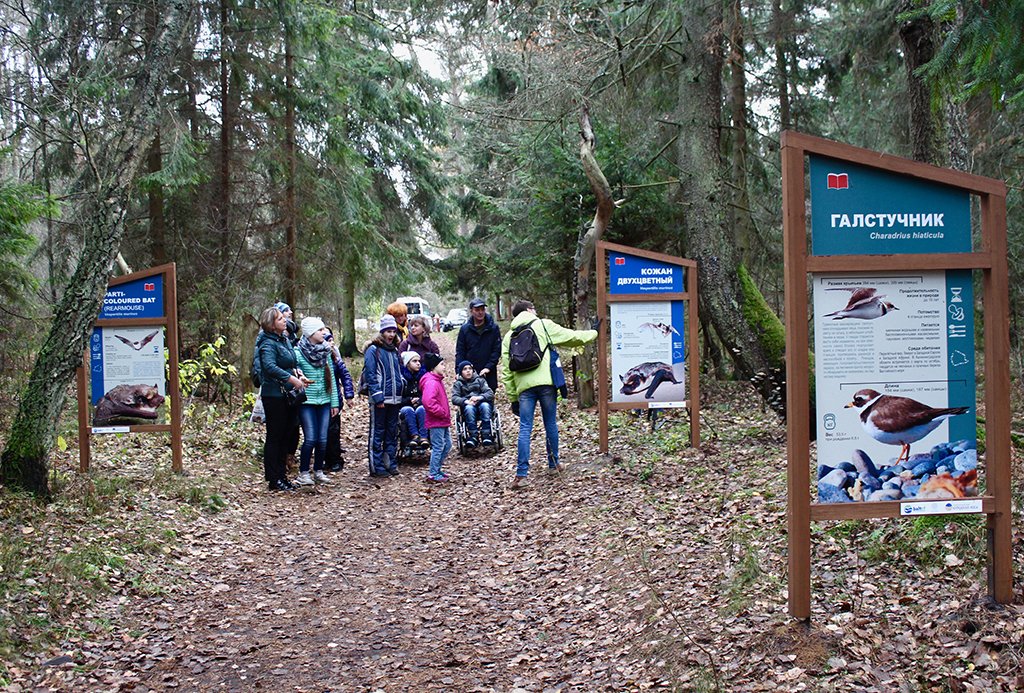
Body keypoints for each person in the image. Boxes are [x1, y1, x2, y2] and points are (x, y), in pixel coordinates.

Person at [501, 299, 597, 488]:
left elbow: (507, 371)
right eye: (534, 308)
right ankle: (553, 464)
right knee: (550, 423)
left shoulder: (509, 336)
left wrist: (513, 398)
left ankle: (521, 475)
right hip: (546, 383)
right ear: (529, 310)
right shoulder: (543, 325)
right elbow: (571, 337)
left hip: (524, 387)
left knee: (525, 428)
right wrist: (594, 332)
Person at [257, 306, 312, 492]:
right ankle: (274, 478)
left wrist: (299, 375)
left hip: (288, 395)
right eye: (280, 318)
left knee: (287, 436)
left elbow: (291, 363)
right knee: (275, 436)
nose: (284, 320)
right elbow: (269, 367)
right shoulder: (266, 343)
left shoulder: (284, 339)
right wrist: (291, 379)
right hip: (274, 396)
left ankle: (283, 476)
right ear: (272, 324)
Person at [292, 317, 340, 487]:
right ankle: (304, 473)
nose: (324, 333)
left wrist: (334, 402)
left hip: (325, 401)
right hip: (307, 402)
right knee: (310, 438)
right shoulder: (298, 353)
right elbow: (294, 372)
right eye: (320, 330)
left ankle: (318, 471)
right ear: (311, 332)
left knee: (323, 439)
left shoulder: (325, 351)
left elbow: (331, 378)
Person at [364, 315, 404, 477]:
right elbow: (371, 375)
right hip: (380, 399)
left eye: (393, 331)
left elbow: (398, 372)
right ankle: (377, 466)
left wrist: (402, 385)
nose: (391, 334)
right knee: (378, 431)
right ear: (382, 332)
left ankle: (390, 463)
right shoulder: (373, 350)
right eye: (388, 331)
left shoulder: (395, 350)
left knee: (391, 431)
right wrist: (377, 395)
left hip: (395, 398)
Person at [456, 297, 502, 393]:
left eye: (482, 309)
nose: (480, 312)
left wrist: (488, 367)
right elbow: (460, 351)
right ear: (471, 311)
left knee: (488, 405)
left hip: (488, 374)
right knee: (469, 405)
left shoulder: (493, 328)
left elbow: (496, 350)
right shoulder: (465, 329)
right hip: (469, 374)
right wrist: (458, 370)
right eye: (477, 310)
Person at [324, 329, 355, 473]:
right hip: (320, 400)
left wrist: (349, 395)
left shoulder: (336, 359)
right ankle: (325, 459)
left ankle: (336, 460)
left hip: (335, 400)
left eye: (331, 340)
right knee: (322, 432)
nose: (331, 343)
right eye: (327, 340)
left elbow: (346, 377)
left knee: (333, 431)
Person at [419, 352, 452, 482]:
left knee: (447, 445)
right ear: (434, 367)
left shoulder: (437, 380)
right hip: (436, 420)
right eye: (442, 364)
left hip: (442, 420)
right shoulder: (431, 382)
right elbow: (428, 401)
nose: (444, 367)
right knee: (439, 446)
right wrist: (441, 412)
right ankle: (433, 473)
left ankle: (437, 469)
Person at [451, 360, 494, 447]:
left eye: (470, 368)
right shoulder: (458, 384)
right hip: (468, 406)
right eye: (465, 369)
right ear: (460, 372)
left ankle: (486, 434)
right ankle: (473, 436)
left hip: (481, 403)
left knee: (485, 406)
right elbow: (454, 398)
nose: (468, 371)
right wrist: (466, 401)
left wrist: (479, 398)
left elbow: (490, 393)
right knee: (469, 408)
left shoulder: (480, 380)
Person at [399, 351, 428, 449]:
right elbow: (398, 397)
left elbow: (426, 394)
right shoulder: (401, 379)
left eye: (419, 361)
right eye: (414, 361)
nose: (418, 363)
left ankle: (424, 437)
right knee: (408, 410)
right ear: (407, 363)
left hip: (420, 404)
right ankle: (414, 436)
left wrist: (419, 400)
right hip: (404, 406)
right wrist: (409, 400)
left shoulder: (422, 377)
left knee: (422, 409)